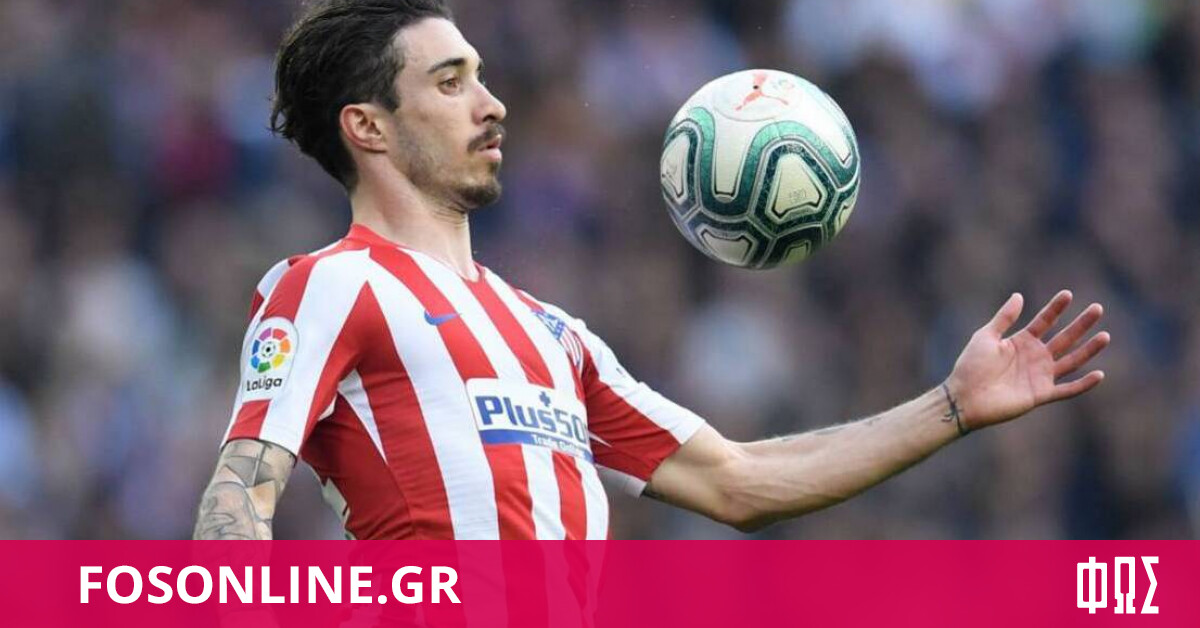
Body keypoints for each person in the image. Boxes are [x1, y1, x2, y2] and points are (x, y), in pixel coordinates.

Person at [192, 0, 1111, 540]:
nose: (492, 102)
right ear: (367, 127)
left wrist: (951, 406)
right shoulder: (331, 285)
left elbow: (736, 481)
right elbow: (239, 494)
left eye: (480, 75)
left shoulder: (554, 336)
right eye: (449, 81)